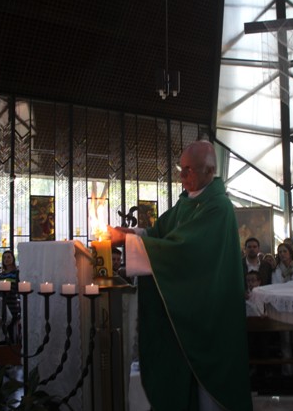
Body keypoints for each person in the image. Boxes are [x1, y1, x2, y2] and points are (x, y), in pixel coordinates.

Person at [108, 140, 251, 410]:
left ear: (210, 171)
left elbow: (186, 251)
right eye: (181, 169)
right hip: (188, 309)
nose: (182, 176)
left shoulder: (218, 207)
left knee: (208, 387)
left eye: (189, 170)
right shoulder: (186, 203)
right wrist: (130, 234)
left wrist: (130, 243)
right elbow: (159, 234)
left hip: (210, 312)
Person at [273, 242, 293, 377]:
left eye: (284, 251)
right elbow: (276, 288)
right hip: (282, 309)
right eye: (280, 252)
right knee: (285, 341)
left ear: (290, 253)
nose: (282, 254)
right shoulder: (277, 270)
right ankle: (287, 372)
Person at [0, 250, 20, 343]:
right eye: (4, 257)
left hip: (12, 304)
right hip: (2, 304)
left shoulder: (17, 273)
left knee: (11, 329)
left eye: (9, 257)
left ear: (13, 259)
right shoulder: (0, 274)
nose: (6, 259)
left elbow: (19, 288)